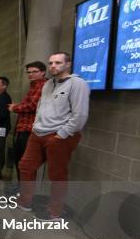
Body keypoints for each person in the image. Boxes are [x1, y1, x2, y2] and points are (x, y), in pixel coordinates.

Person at [17, 52, 90, 221]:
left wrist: (62, 134)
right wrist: (36, 126)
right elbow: (41, 108)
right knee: (26, 166)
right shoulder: (48, 84)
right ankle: (25, 201)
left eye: (58, 62)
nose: (53, 66)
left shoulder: (78, 84)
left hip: (59, 136)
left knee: (56, 174)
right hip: (38, 133)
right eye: (50, 63)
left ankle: (55, 211)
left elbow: (80, 115)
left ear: (68, 64)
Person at [8, 61, 46, 181]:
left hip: (30, 130)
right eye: (29, 72)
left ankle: (25, 194)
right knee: (20, 161)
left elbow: (32, 106)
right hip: (24, 128)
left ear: (43, 72)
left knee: (25, 164)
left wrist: (14, 108)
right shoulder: (34, 85)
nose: (31, 74)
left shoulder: (43, 85)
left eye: (35, 72)